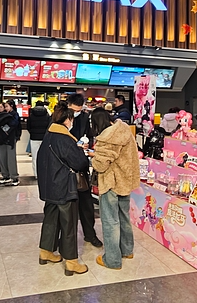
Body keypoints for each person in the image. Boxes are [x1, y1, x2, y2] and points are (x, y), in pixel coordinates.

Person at [37, 102, 90, 276]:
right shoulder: (64, 139)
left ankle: (46, 252)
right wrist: (80, 151)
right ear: (67, 119)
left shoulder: (48, 136)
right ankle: (71, 262)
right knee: (69, 224)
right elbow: (80, 163)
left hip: (49, 187)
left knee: (51, 220)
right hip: (64, 187)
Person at [89, 108, 139, 270]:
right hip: (125, 180)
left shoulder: (107, 137)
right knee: (124, 217)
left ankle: (112, 259)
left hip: (111, 182)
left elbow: (101, 165)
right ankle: (127, 250)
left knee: (110, 221)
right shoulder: (124, 129)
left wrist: (94, 157)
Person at [67, 94, 102, 248]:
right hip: (65, 166)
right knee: (67, 207)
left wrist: (87, 145)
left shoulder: (84, 118)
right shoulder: (59, 117)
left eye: (79, 110)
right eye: (74, 110)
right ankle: (67, 239)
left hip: (81, 166)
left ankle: (90, 234)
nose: (76, 113)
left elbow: (89, 135)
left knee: (86, 203)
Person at [0, 100, 21, 186]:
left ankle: (14, 176)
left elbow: (13, 124)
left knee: (10, 158)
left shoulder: (14, 115)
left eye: (7, 106)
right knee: (2, 157)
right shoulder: (3, 115)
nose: (5, 108)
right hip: (2, 139)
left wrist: (4, 130)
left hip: (10, 139)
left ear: (11, 106)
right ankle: (5, 175)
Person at [27, 101, 50, 179]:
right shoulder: (47, 115)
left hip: (34, 138)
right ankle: (44, 173)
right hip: (44, 138)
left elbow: (28, 127)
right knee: (45, 156)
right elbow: (49, 126)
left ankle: (36, 174)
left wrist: (32, 133)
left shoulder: (31, 115)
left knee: (35, 157)